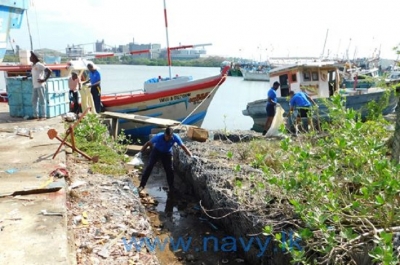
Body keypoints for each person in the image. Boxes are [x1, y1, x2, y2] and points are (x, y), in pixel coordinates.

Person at [137, 127, 194, 194]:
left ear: (172, 136)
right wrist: (140, 153)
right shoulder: (159, 136)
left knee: (170, 169)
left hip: (167, 153)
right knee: (149, 166)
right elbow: (148, 143)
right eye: (166, 136)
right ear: (164, 134)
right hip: (156, 151)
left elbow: (183, 146)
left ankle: (171, 187)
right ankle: (142, 185)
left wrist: (191, 155)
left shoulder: (176, 137)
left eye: (169, 137)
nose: (167, 138)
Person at [24, 51, 52, 121]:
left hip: (40, 85)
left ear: (35, 58)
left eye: (31, 56)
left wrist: (44, 79)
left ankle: (43, 116)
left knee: (42, 101)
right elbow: (32, 74)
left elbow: (49, 71)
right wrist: (27, 77)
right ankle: (35, 115)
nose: (30, 58)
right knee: (34, 101)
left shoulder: (39, 64)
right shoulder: (33, 66)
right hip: (35, 86)